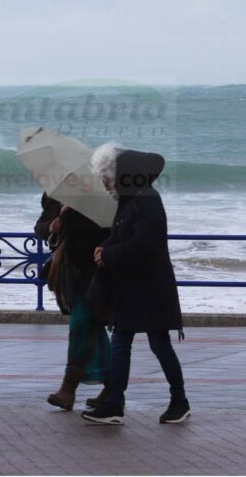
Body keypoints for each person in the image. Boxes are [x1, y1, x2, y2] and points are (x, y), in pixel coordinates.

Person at [80, 144, 190, 426]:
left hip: (150, 290)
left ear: (119, 175)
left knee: (158, 346)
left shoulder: (147, 200)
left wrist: (109, 254)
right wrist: (104, 248)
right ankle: (117, 402)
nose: (104, 185)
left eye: (105, 178)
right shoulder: (131, 199)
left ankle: (177, 401)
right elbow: (121, 236)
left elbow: (146, 245)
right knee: (127, 343)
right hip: (133, 289)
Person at [33, 192, 111, 410]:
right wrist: (54, 225)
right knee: (91, 326)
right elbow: (40, 228)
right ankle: (112, 385)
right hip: (70, 274)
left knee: (79, 325)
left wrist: (72, 214)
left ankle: (68, 389)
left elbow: (108, 232)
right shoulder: (53, 197)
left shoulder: (101, 198)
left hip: (96, 273)